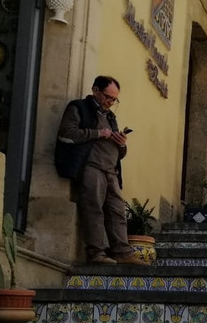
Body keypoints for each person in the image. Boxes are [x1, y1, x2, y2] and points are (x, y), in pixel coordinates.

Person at [57, 75, 149, 266]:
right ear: (96, 91)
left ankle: (122, 252)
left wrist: (122, 144)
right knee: (93, 209)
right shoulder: (79, 107)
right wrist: (98, 133)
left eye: (114, 99)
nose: (111, 102)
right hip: (92, 168)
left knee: (117, 212)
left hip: (112, 171)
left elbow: (119, 153)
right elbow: (66, 134)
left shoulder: (110, 116)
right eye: (108, 97)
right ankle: (96, 253)